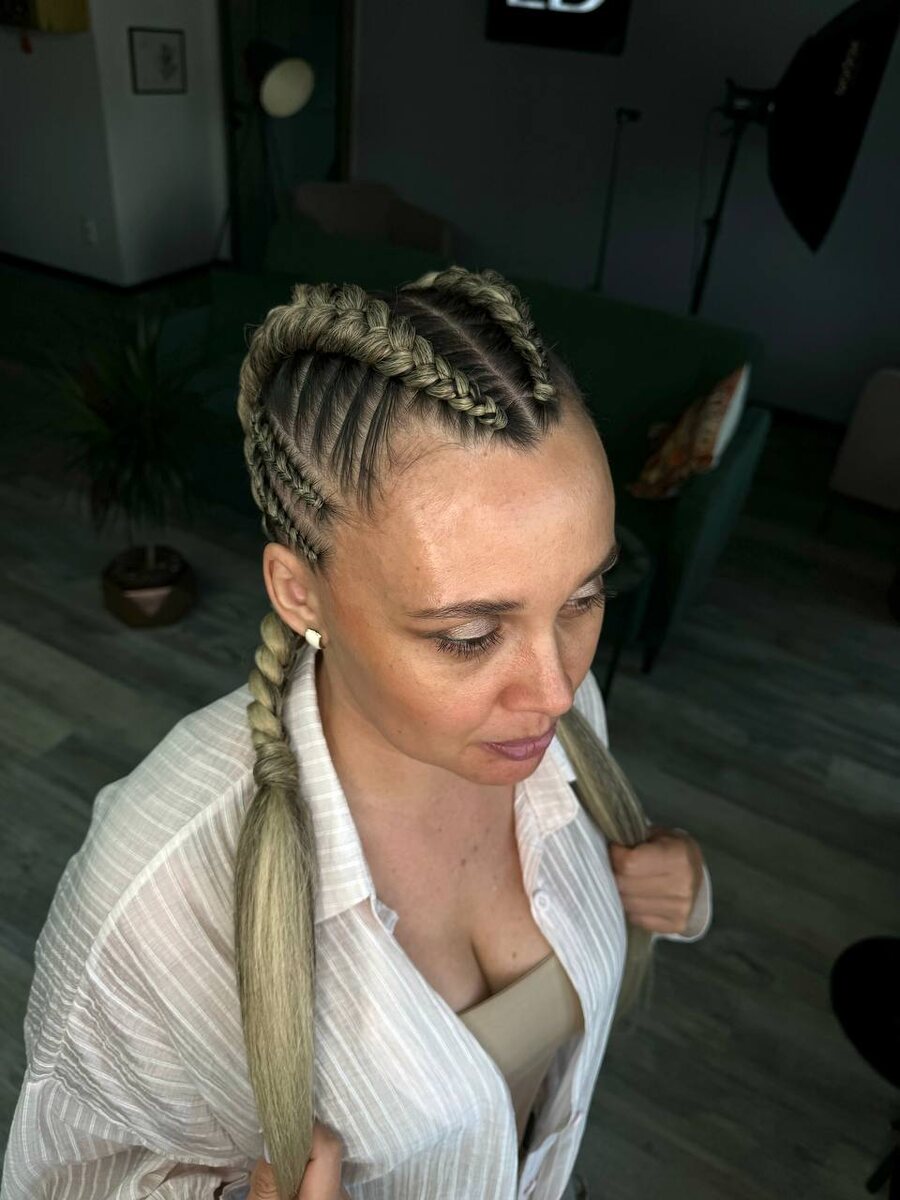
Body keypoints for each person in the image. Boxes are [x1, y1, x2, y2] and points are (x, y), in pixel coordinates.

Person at [1, 266, 711, 1200]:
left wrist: (673, 881)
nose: (554, 688)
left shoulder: (561, 733)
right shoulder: (155, 901)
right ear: (300, 593)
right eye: (469, 636)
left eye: (584, 597)